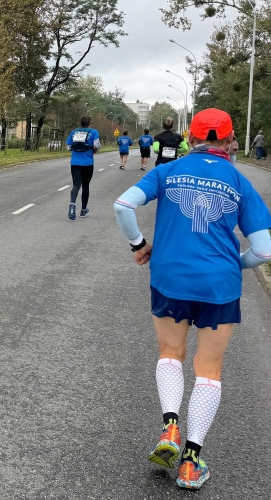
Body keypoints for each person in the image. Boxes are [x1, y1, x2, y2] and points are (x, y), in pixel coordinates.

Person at [113, 108, 271, 490]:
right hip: (220, 285)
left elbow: (123, 205)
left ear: (191, 137)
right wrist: (233, 263)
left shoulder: (168, 171)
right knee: (209, 369)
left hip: (170, 277)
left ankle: (170, 427)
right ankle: (191, 462)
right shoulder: (239, 180)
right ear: (230, 139)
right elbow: (264, 250)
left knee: (171, 353)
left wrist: (139, 244)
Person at [64, 115, 100, 220]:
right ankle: (83, 210)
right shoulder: (94, 132)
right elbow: (97, 146)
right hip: (88, 163)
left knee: (76, 185)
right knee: (85, 186)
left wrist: (76, 148)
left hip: (75, 163)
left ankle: (72, 205)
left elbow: (68, 147)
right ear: (90, 123)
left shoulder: (74, 132)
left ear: (81, 122)